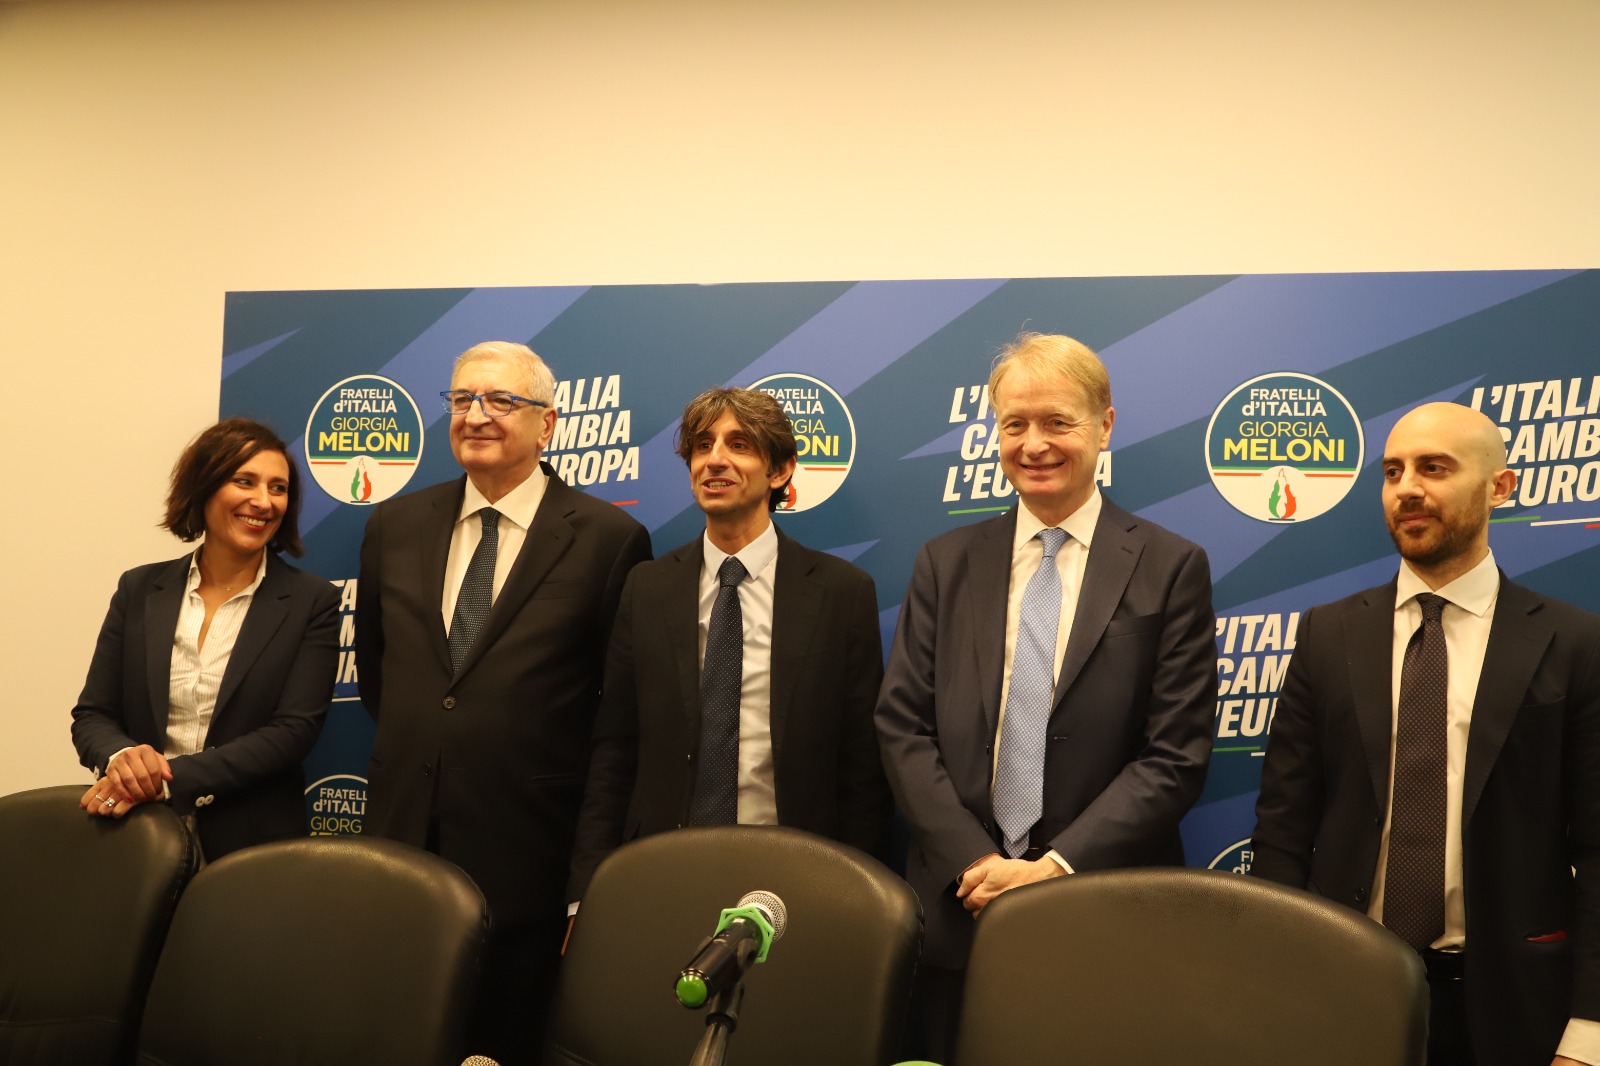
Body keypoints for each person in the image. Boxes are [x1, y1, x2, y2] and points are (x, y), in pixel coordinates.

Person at [876, 332, 1217, 1060]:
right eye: (1014, 424)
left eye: (1058, 422)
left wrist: (1053, 870)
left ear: (1104, 426)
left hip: (1110, 910)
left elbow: (1175, 754)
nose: (1033, 444)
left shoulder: (1170, 566)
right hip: (959, 910)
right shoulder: (944, 563)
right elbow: (902, 727)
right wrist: (975, 861)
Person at [1252, 401, 1600, 1066]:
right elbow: (1283, 831)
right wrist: (1282, 986)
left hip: (1516, 1007)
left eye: (1434, 468)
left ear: (1500, 487)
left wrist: (1589, 1032)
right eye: (1393, 472)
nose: (1407, 488)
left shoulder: (1575, 643)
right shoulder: (1328, 635)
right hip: (1344, 993)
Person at [355, 340, 651, 1065]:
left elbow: (615, 717)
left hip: (528, 864)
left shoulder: (609, 540)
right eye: (463, 400)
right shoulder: (394, 526)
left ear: (547, 424)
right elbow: (380, 675)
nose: (476, 416)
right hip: (401, 847)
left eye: (500, 401)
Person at [566, 387, 891, 907]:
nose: (714, 459)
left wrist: (854, 896)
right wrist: (585, 895)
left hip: (796, 875)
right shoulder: (647, 587)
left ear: (780, 470)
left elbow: (862, 767)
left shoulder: (840, 593)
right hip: (661, 871)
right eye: (702, 445)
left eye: (739, 445)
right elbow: (615, 750)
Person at [71, 418, 338, 861]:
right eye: (244, 481)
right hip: (135, 835)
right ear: (204, 486)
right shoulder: (139, 589)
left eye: (278, 488)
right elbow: (93, 715)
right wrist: (122, 759)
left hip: (252, 847)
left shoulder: (313, 602)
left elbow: (293, 732)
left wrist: (162, 781)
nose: (263, 501)